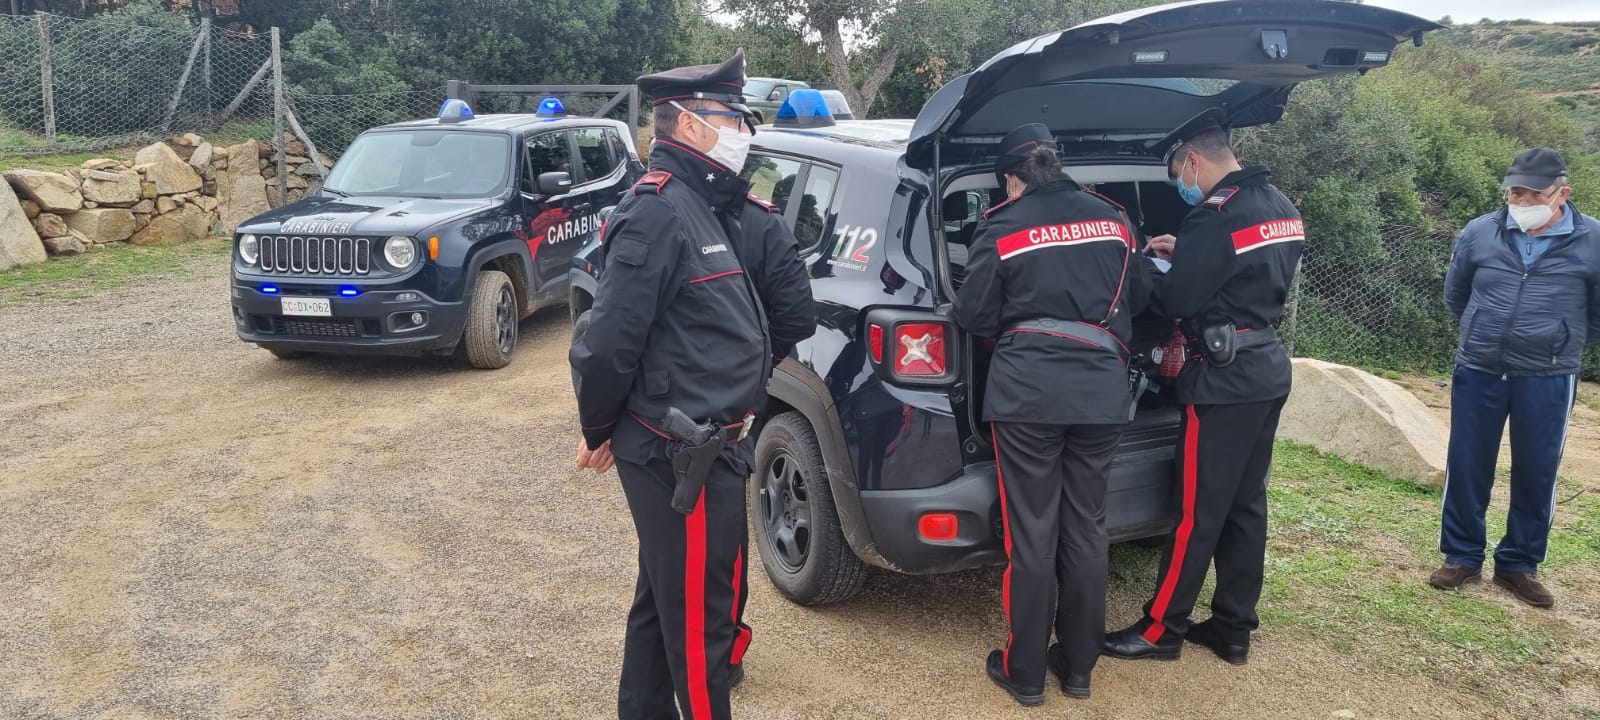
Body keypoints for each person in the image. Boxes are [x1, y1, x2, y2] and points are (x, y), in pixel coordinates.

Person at [569, 50, 769, 720]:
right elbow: (609, 342)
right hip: (679, 454)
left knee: (663, 604)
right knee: (701, 632)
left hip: (711, 445)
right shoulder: (656, 210)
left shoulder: (703, 204)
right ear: (688, 123)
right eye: (730, 118)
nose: (742, 130)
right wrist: (599, 429)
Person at [954, 123, 1150, 704]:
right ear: (1056, 164)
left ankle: (1026, 674)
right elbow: (1139, 296)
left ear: (1011, 179)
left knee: (1032, 534)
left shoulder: (1002, 226)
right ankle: (1081, 667)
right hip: (1102, 394)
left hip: (1028, 398)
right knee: (1088, 527)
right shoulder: (1113, 218)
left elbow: (972, 316)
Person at [1102, 109, 1304, 667]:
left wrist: (1145, 266)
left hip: (1221, 380)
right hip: (1264, 364)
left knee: (1196, 512)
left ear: (1192, 159)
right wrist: (1186, 253)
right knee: (1245, 505)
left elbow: (1173, 303)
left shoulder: (1216, 217)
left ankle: (1160, 629)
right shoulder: (1279, 205)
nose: (1179, 184)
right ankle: (1233, 626)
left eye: (1176, 172)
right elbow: (1244, 273)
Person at [1430, 147, 1599, 608]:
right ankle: (1462, 556)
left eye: (1531, 194)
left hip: (1548, 376)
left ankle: (1519, 565)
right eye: (1514, 192)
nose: (1521, 202)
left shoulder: (1593, 240)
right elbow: (1457, 293)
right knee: (1467, 463)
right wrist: (1483, 332)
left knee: (1537, 470)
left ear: (1562, 193)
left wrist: (1560, 344)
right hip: (1480, 366)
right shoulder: (1481, 231)